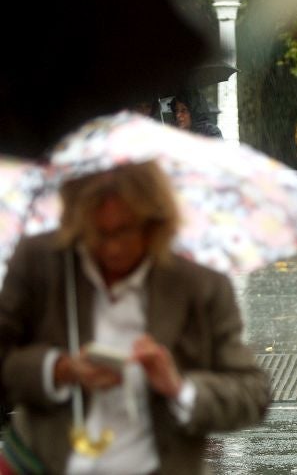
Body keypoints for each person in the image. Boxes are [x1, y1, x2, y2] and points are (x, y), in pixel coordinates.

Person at [0, 161, 270, 474]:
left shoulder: (201, 286)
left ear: (154, 224)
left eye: (125, 231)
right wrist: (58, 370)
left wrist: (178, 387)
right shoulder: (41, 263)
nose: (112, 248)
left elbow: (252, 393)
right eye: (99, 233)